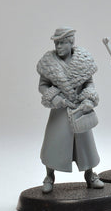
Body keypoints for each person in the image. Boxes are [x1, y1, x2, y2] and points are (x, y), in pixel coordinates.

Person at [37, 27, 104, 193]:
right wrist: (54, 97)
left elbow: (89, 83)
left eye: (62, 43)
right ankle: (49, 177)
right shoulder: (49, 63)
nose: (58, 46)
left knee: (85, 146)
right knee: (53, 145)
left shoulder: (83, 61)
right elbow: (43, 86)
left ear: (71, 42)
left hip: (79, 109)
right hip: (60, 110)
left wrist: (88, 99)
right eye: (56, 43)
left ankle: (90, 175)